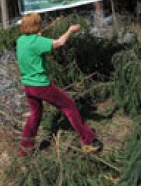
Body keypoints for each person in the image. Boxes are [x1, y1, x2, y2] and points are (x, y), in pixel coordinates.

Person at [16, 13, 103, 156]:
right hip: (41, 86)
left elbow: (34, 44)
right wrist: (70, 30)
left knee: (35, 115)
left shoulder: (21, 40)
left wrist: (37, 35)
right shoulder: (37, 41)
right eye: (39, 23)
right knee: (69, 106)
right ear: (36, 26)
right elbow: (59, 43)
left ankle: (25, 149)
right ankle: (89, 141)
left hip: (28, 86)